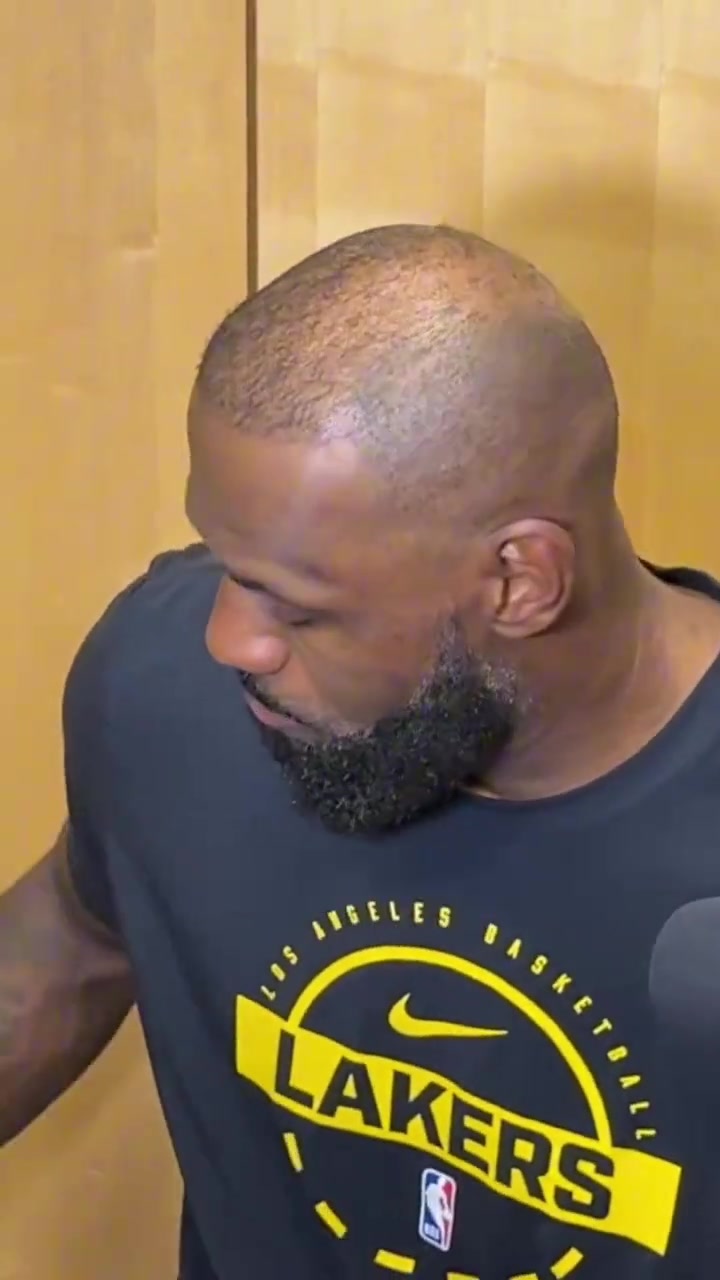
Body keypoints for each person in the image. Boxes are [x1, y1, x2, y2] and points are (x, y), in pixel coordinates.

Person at [2, 224, 719, 1279]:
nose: (229, 641)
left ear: (520, 580)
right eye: (225, 564)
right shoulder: (166, 696)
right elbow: (66, 945)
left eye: (297, 608)